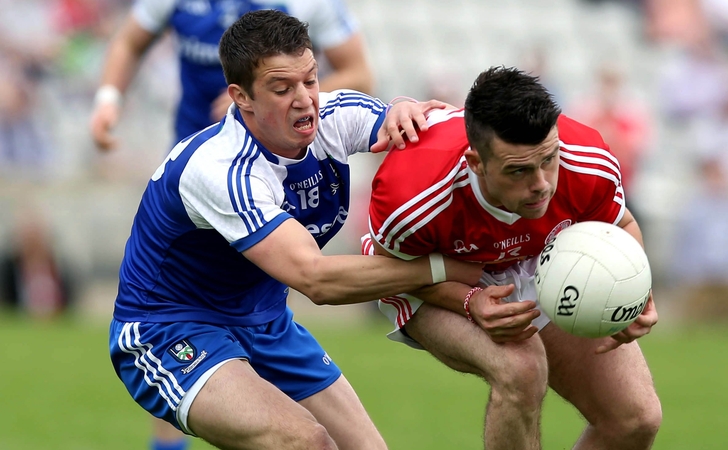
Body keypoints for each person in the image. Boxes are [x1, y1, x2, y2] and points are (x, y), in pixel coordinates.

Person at [107, 10, 483, 450]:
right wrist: (442, 268)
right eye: (282, 89)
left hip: (266, 321)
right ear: (240, 97)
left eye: (310, 80)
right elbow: (316, 280)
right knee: (304, 442)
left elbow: (413, 127)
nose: (305, 99)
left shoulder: (334, 115)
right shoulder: (223, 170)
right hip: (170, 327)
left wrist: (406, 109)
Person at [363, 67, 662, 450]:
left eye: (548, 160)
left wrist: (636, 291)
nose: (541, 184)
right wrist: (467, 301)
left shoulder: (586, 159)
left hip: (540, 260)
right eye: (518, 171)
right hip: (433, 276)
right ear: (476, 163)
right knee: (522, 369)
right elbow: (388, 272)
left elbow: (622, 224)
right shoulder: (411, 195)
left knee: (635, 419)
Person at [90, 0, 373, 151]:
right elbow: (129, 43)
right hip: (194, 144)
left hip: (279, 161)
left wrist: (262, 99)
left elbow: (359, 76)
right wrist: (108, 99)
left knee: (279, 258)